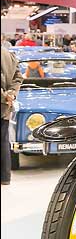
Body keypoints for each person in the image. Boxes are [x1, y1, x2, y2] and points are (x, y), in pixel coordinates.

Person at [1, 47, 23, 185]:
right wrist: (11, 94)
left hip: (4, 102)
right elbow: (18, 77)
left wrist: (5, 97)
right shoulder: (9, 54)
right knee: (3, 141)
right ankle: (5, 177)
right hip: (5, 106)